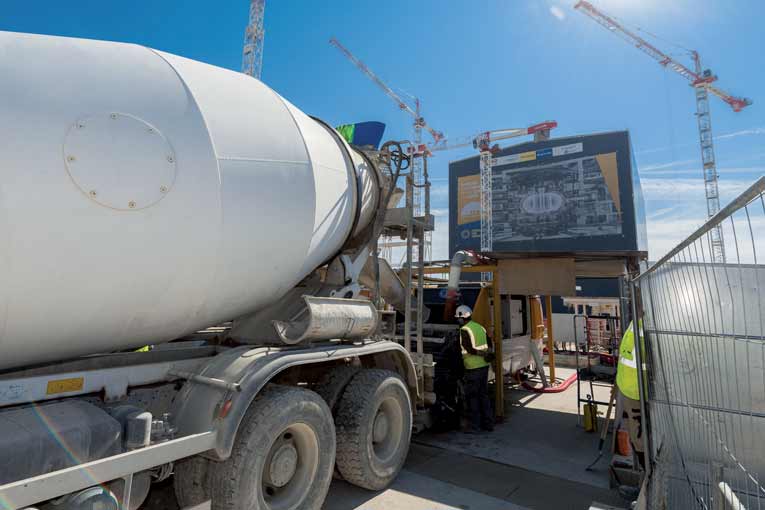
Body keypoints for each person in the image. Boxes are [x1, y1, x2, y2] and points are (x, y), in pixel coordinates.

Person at [456, 305, 495, 433]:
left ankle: (475, 427)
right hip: (483, 367)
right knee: (483, 395)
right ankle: (488, 424)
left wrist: (481, 354)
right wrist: (487, 354)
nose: (458, 321)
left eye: (459, 318)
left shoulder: (464, 330)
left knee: (472, 397)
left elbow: (469, 349)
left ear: (462, 318)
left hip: (472, 369)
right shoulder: (480, 327)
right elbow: (489, 344)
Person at [615, 320, 646, 469]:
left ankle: (646, 473)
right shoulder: (636, 322)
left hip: (636, 391)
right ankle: (643, 475)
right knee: (634, 435)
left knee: (638, 438)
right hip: (627, 388)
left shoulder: (644, 323)